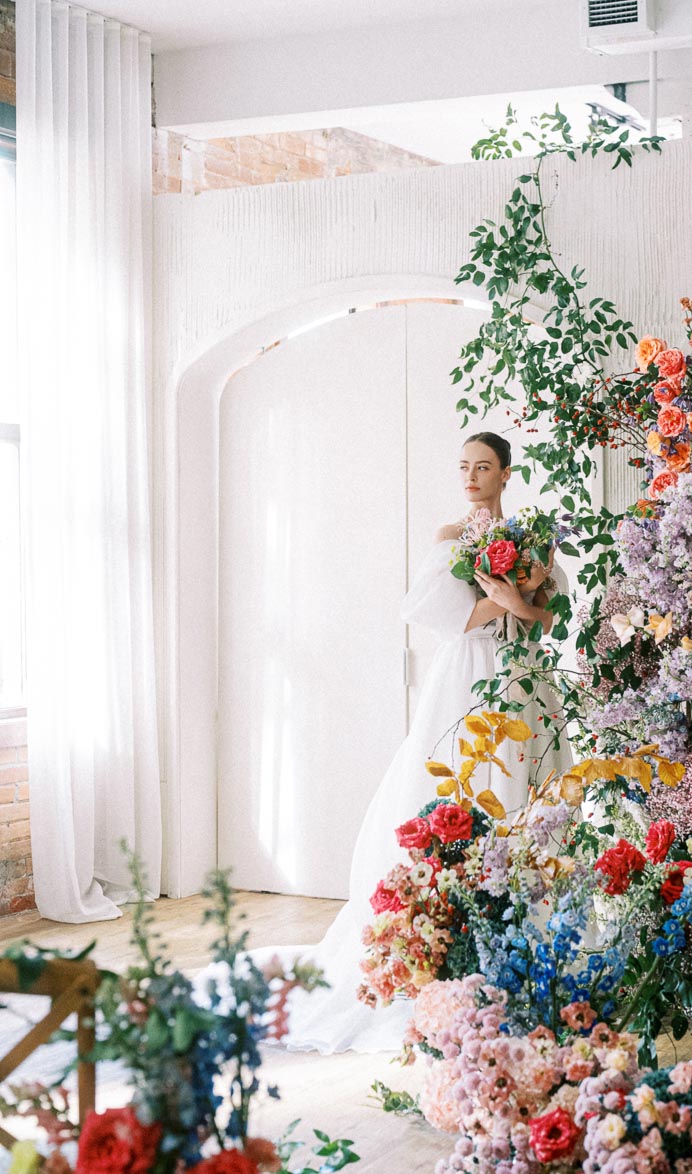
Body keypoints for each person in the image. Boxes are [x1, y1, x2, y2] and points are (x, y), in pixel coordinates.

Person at [264, 431, 572, 1053]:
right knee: (459, 785)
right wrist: (499, 598)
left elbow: (552, 617)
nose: (471, 476)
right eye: (464, 466)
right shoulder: (448, 538)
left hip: (525, 677)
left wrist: (519, 596)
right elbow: (432, 611)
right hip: (464, 676)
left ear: (506, 475)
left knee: (526, 794)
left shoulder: (534, 539)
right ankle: (445, 935)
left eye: (483, 467)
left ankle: (529, 939)